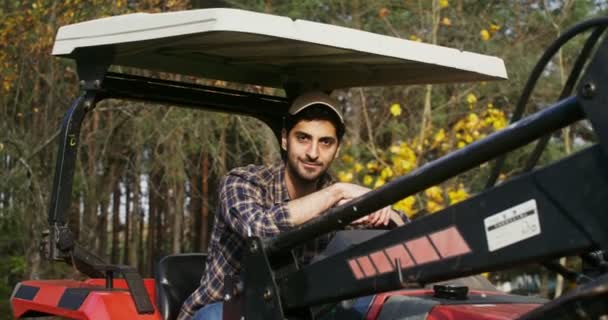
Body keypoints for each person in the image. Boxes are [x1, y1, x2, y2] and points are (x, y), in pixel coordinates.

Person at [178, 91, 405, 320]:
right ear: (285, 139)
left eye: (325, 142)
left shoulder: (341, 201)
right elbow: (257, 228)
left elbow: (405, 231)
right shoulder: (243, 182)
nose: (313, 153)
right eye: (303, 138)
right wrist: (337, 192)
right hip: (228, 310)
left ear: (337, 150)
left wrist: (380, 209)